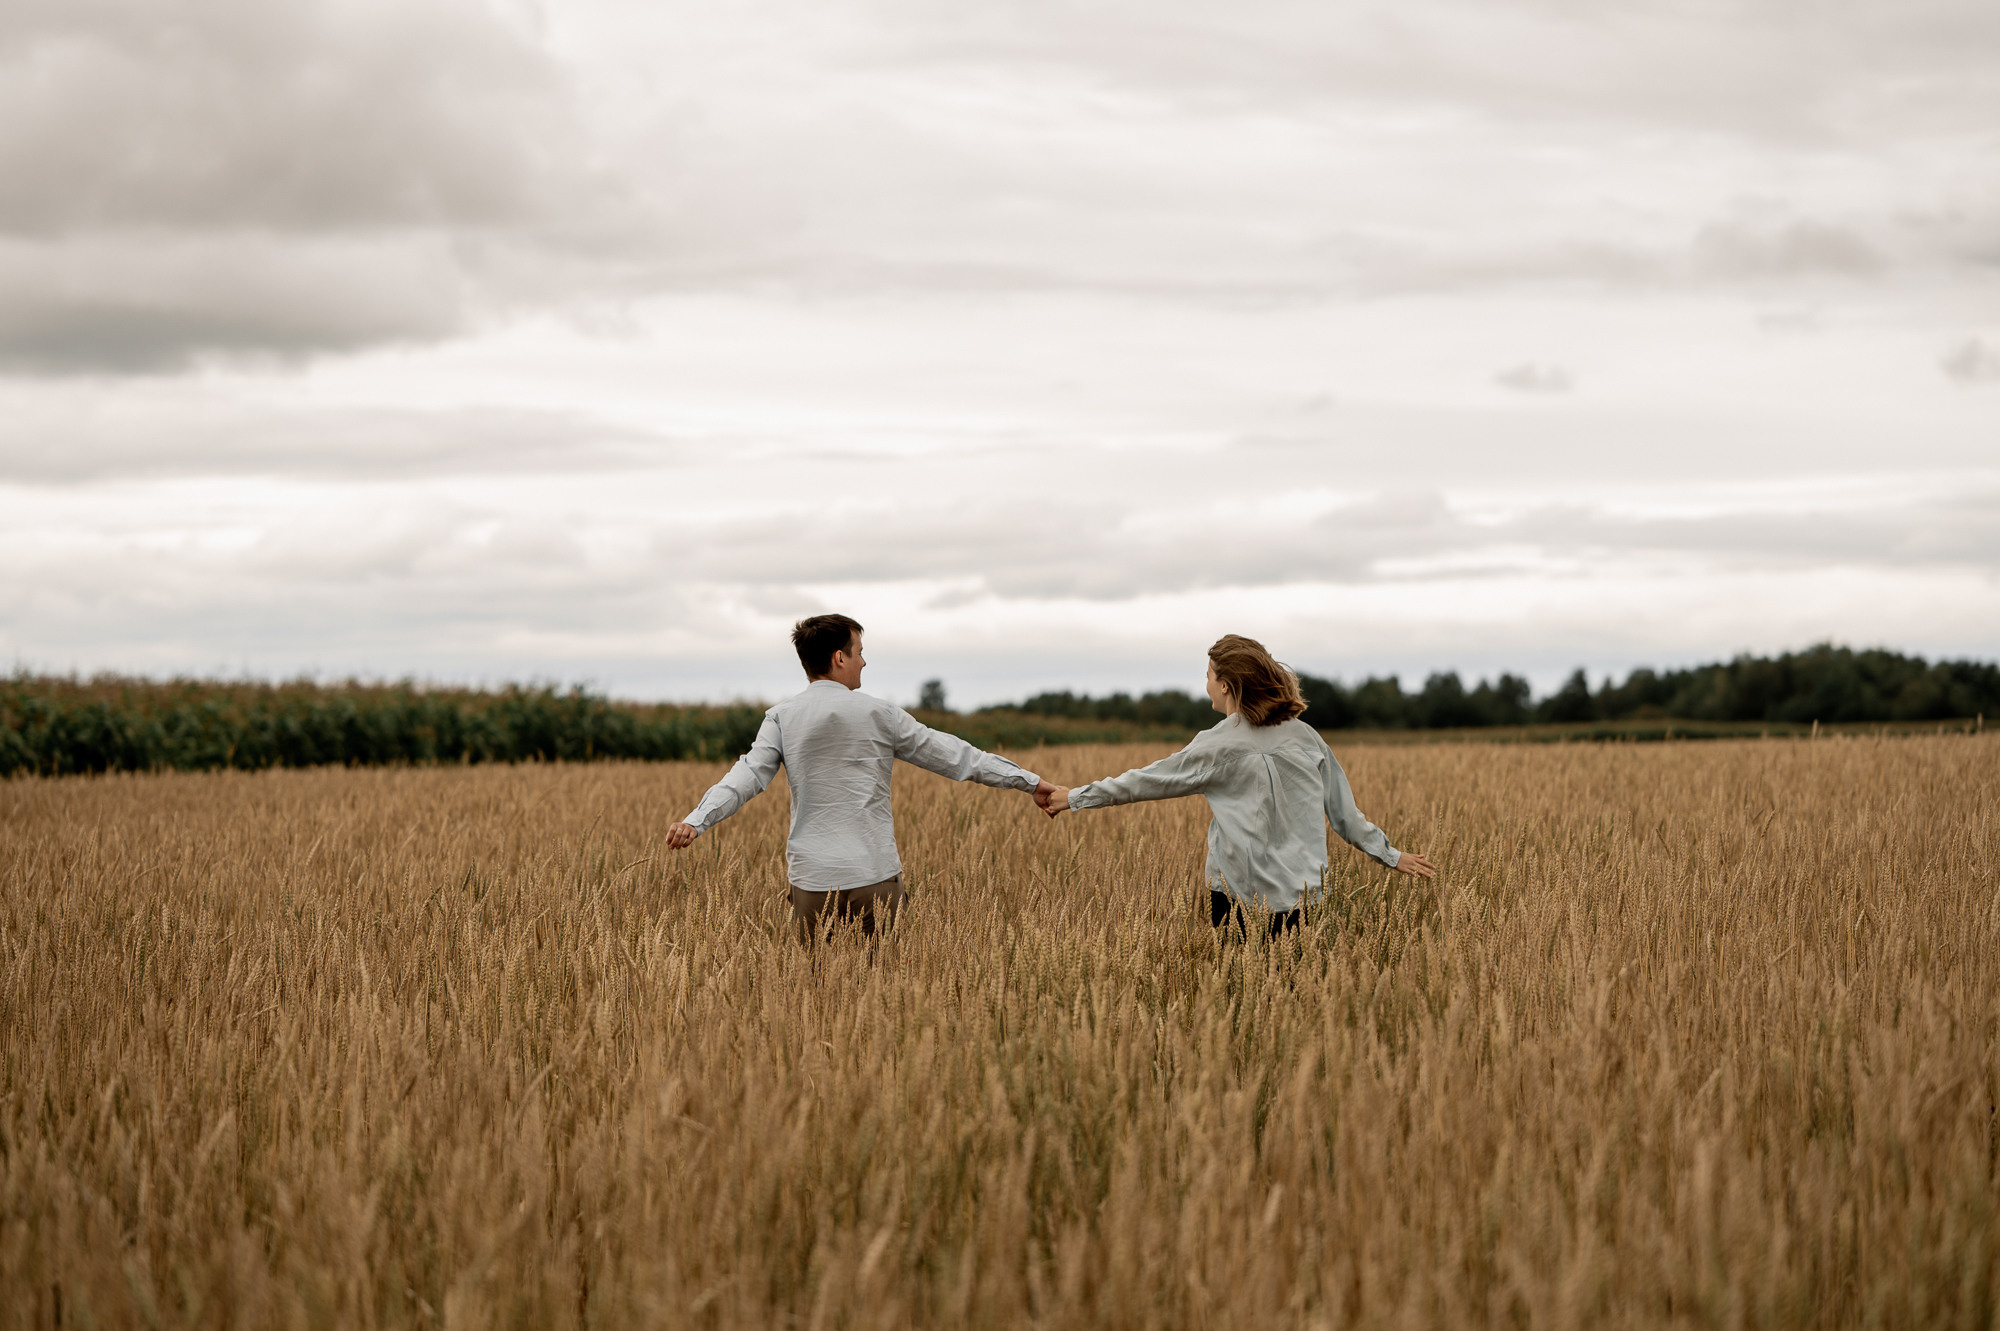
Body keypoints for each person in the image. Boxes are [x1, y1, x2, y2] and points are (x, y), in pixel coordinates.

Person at [666, 614, 1056, 942]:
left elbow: (746, 776)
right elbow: (957, 757)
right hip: (874, 874)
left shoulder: (782, 717)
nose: (864, 662)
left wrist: (695, 821)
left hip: (812, 880)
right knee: (881, 997)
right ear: (840, 658)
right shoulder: (881, 714)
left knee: (814, 998)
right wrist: (1029, 781)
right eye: (860, 652)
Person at [1038, 634, 1436, 935]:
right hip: (1305, 898)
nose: (1206, 684)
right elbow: (1344, 815)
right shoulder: (1306, 737)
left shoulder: (1217, 744)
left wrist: (1075, 797)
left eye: (1209, 676)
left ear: (1226, 685)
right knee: (1295, 1011)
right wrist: (1391, 855)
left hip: (1238, 899)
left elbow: (1144, 782)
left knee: (1241, 1005)